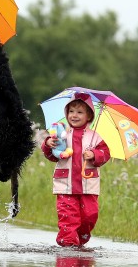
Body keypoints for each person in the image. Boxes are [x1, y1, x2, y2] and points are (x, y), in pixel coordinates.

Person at [41, 92, 110, 248]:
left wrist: (94, 154)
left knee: (89, 216)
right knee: (68, 217)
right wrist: (48, 144)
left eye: (80, 112)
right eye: (71, 111)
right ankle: (68, 244)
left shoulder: (96, 137)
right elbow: (52, 156)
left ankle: (80, 239)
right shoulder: (62, 135)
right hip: (66, 185)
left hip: (88, 185)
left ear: (89, 116)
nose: (74, 115)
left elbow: (105, 154)